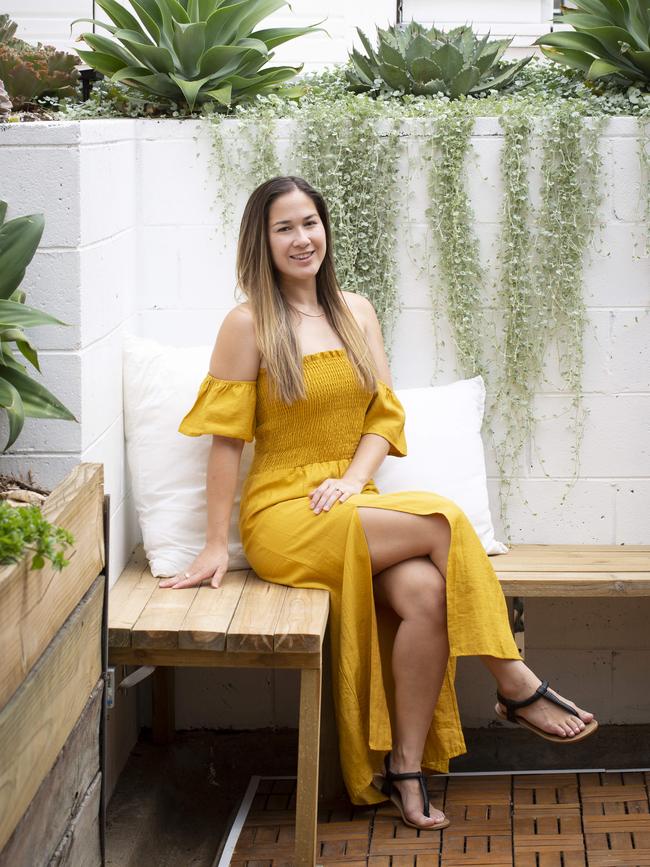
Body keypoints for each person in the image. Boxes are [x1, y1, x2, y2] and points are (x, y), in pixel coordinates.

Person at [160, 176, 597, 831]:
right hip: (286, 514)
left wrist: (353, 477)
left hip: (350, 503)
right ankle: (513, 680)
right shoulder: (247, 322)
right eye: (285, 228)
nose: (302, 238)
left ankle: (406, 767)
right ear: (263, 240)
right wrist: (216, 542)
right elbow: (226, 442)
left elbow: (384, 417)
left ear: (325, 227)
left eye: (310, 222)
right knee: (442, 518)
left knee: (423, 590)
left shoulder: (356, 310)